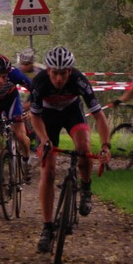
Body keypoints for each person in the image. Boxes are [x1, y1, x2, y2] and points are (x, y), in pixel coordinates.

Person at [29, 46, 112, 253]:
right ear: (48, 70)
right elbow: (35, 117)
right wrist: (44, 139)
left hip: (72, 112)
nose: (59, 78)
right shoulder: (39, 82)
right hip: (47, 118)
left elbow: (99, 117)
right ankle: (47, 228)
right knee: (48, 171)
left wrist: (105, 146)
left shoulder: (79, 80)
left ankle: (86, 187)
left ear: (70, 70)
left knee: (83, 148)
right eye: (55, 73)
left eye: (63, 73)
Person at [0, 54, 33, 183]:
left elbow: (35, 89)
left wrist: (32, 109)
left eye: (4, 77)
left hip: (11, 102)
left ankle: (26, 160)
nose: (1, 80)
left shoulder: (15, 74)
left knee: (21, 136)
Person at [16, 47, 42, 157]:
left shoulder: (39, 71)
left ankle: (40, 145)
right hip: (21, 97)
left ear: (32, 63)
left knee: (37, 117)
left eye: (26, 64)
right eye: (22, 64)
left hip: (36, 97)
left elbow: (40, 93)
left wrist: (31, 106)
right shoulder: (16, 70)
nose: (23, 67)